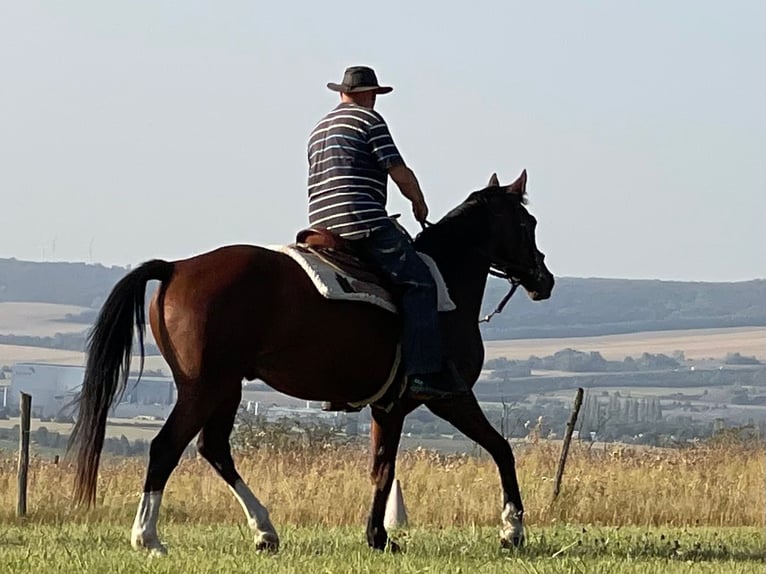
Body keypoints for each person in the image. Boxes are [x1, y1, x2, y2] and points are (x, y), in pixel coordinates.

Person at [307, 65, 468, 404]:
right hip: (359, 220)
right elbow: (398, 170)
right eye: (375, 96)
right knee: (419, 282)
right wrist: (419, 202)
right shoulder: (369, 122)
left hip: (319, 225)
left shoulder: (318, 128)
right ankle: (423, 373)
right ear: (370, 95)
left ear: (341, 93)